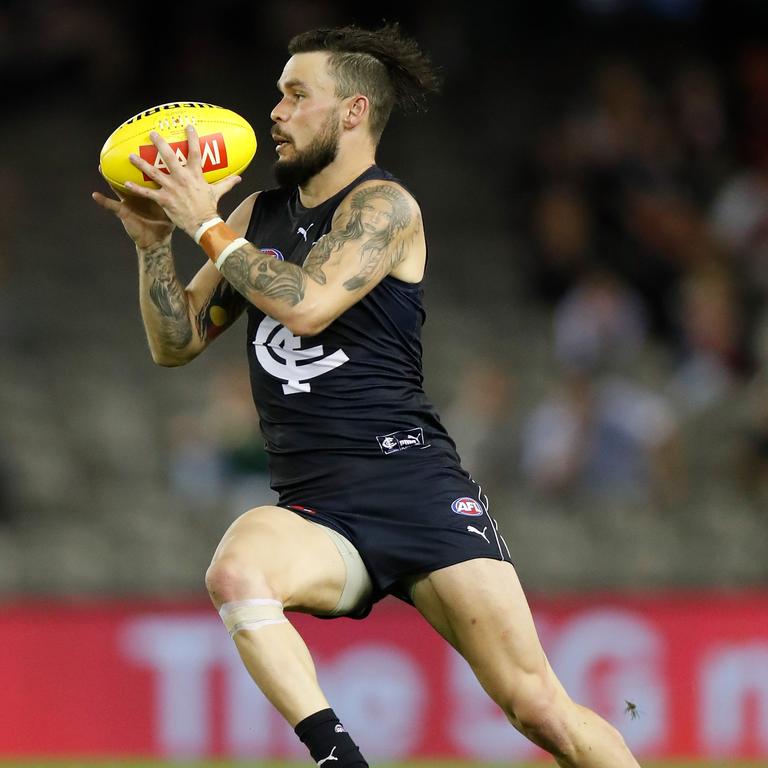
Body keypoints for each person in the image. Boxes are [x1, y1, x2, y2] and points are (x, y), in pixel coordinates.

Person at [93, 23, 641, 768]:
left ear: (352, 112)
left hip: (413, 485)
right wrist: (155, 243)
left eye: (296, 95)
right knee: (235, 571)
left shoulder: (385, 208)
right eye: (278, 94)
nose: (276, 113)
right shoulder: (259, 216)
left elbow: (309, 304)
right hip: (318, 504)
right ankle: (339, 757)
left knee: (538, 707)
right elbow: (176, 343)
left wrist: (207, 226)